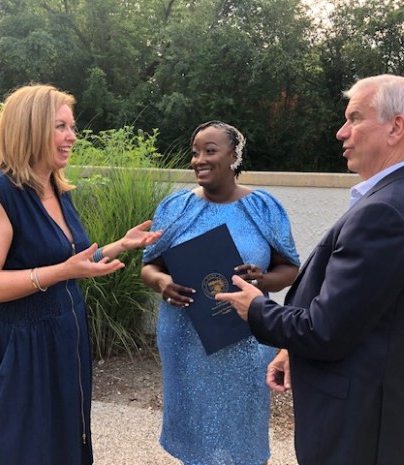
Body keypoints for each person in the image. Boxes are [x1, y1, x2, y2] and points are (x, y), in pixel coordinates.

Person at [216, 75, 404, 464]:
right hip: (367, 411)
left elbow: (324, 332)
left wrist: (256, 308)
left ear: (396, 127)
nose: (342, 132)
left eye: (355, 118)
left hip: (353, 426)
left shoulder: (384, 211)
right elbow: (356, 316)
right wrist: (293, 351)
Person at [0, 84, 162, 465]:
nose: (72, 137)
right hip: (20, 345)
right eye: (61, 127)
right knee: (24, 446)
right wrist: (60, 272)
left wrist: (119, 245)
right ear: (30, 128)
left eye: (71, 127)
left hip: (63, 336)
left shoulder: (55, 188)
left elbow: (70, 261)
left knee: (64, 439)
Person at [140, 120, 300, 465]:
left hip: (243, 343)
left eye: (209, 151)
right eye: (195, 152)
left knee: (242, 437)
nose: (199, 159)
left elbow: (289, 268)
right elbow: (149, 265)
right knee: (195, 432)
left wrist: (262, 280)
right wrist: (162, 283)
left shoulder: (262, 208)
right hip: (185, 340)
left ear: (234, 157)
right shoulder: (176, 207)